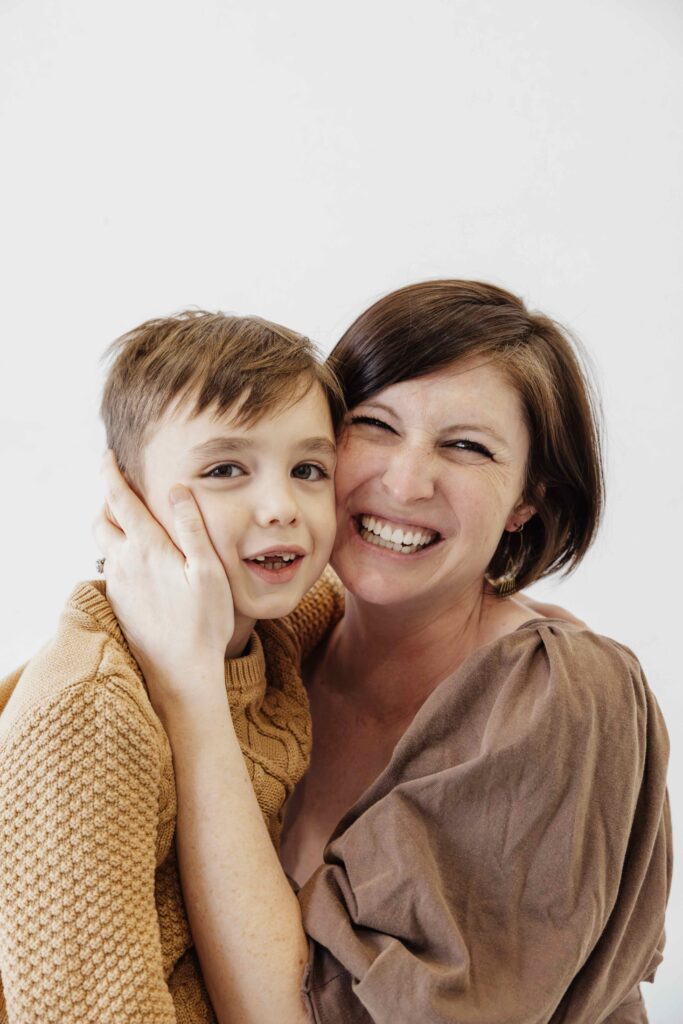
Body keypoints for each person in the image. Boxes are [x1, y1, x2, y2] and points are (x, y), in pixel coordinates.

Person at [98, 281, 672, 1024]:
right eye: (373, 425)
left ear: (526, 498)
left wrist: (190, 691)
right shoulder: (272, 653)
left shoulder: (559, 697)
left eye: (466, 447)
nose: (404, 481)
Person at [0, 311, 345, 1023]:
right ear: (129, 499)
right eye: (225, 470)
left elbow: (379, 600)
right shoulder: (93, 711)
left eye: (308, 469)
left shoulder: (279, 627)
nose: (281, 507)